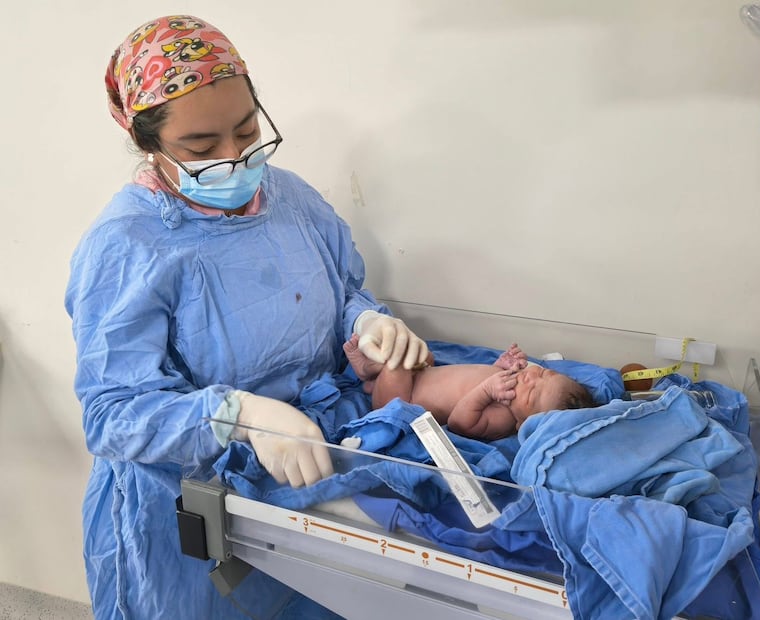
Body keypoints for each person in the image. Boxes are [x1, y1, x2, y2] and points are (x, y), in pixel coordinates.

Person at [65, 14, 430, 620]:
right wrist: (239, 417)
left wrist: (366, 324)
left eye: (247, 130)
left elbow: (341, 290)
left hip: (304, 483)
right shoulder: (126, 247)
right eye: (202, 148)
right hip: (190, 517)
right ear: (150, 144)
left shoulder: (291, 199)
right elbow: (113, 414)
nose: (234, 158)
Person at [344, 337, 594, 440]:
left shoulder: (503, 418)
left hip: (400, 399)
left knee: (399, 360)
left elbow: (460, 423)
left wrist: (486, 391)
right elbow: (478, 377)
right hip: (421, 375)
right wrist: (500, 366)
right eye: (542, 373)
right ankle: (374, 377)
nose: (529, 377)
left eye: (531, 394)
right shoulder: (508, 384)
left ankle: (369, 371)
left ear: (523, 424)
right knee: (423, 353)